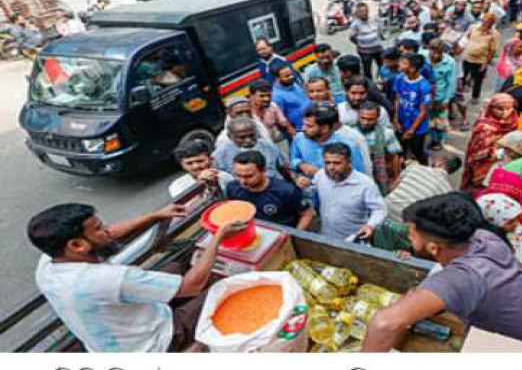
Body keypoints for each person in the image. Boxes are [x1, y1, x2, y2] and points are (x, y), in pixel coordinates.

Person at [29, 202, 244, 352]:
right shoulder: (106, 278)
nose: (108, 230)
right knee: (226, 288)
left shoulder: (49, 262)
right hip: (153, 344)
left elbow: (112, 233)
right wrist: (217, 238)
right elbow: (191, 286)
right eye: (99, 229)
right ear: (77, 245)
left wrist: (154, 216)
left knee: (174, 266)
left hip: (114, 340)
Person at [361, 192, 522, 351]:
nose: (408, 237)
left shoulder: (461, 277)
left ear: (433, 248)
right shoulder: (485, 238)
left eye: (412, 234)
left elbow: (383, 324)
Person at [313, 142, 387, 240]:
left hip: (353, 240)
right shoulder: (320, 176)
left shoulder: (365, 184)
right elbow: (312, 189)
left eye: (337, 163)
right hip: (326, 237)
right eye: (327, 163)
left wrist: (370, 226)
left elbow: (379, 209)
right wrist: (304, 183)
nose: (331, 167)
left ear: (349, 162)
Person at [227, 151, 314, 230]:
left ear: (263, 170)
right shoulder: (233, 188)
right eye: (238, 175)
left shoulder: (286, 191)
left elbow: (306, 214)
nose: (243, 181)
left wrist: (294, 235)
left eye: (249, 176)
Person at [290, 104, 367, 181]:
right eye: (304, 124)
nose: (303, 128)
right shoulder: (300, 138)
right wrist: (300, 165)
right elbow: (293, 159)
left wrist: (323, 174)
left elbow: (357, 177)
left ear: (324, 128)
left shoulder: (348, 147)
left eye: (309, 126)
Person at [461, 94, 518, 192]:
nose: (505, 112)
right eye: (500, 109)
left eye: (508, 109)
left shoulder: (515, 122)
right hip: (481, 166)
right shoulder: (483, 126)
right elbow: (476, 150)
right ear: (491, 108)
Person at [212, 117, 289, 181]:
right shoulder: (221, 153)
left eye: (252, 135)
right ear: (230, 136)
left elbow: (283, 168)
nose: (248, 140)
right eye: (242, 137)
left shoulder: (268, 146)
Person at [356, 101, 403, 195]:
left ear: (377, 118)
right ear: (358, 115)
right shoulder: (350, 132)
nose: (365, 122)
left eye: (370, 119)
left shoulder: (386, 133)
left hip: (377, 176)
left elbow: (394, 157)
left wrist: (396, 179)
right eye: (363, 118)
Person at [394, 53, 432, 164]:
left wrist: (412, 130)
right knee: (400, 148)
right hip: (402, 122)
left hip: (417, 126)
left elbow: (423, 111)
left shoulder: (423, 86)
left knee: (417, 150)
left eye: (404, 63)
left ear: (412, 69)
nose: (400, 64)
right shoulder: (399, 79)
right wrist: (396, 119)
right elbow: (397, 100)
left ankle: (424, 168)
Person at [169, 139, 234, 198]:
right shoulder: (177, 186)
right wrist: (200, 183)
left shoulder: (225, 178)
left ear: (211, 159)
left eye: (200, 161)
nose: (196, 166)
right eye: (189, 163)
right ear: (182, 165)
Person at [462, 13, 500, 104]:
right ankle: (460, 94)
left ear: (492, 23)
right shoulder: (473, 28)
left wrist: (486, 63)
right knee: (462, 77)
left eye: (489, 23)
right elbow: (465, 39)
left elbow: (492, 51)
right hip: (467, 57)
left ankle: (475, 96)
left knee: (478, 80)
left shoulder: (495, 34)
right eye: (485, 22)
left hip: (480, 61)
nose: (486, 24)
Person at [427, 39, 458, 150]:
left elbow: (452, 83)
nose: (434, 55)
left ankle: (440, 141)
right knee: (429, 119)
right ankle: (434, 139)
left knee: (440, 119)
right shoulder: (424, 58)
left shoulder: (450, 62)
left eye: (437, 53)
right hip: (427, 97)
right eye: (432, 52)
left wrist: (447, 100)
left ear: (442, 51)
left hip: (441, 97)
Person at [349, 2, 384, 80]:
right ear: (357, 13)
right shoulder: (355, 24)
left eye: (365, 11)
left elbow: (379, 29)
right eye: (361, 11)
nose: (364, 13)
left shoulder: (374, 19)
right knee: (367, 70)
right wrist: (359, 43)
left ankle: (381, 80)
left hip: (378, 48)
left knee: (382, 66)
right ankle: (369, 84)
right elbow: (351, 37)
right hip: (365, 51)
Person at [271, 64, 309, 132]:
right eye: (286, 76)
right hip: (301, 129)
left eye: (291, 74)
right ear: (277, 78)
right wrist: (293, 132)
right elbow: (282, 118)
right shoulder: (276, 96)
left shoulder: (292, 83)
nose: (291, 77)